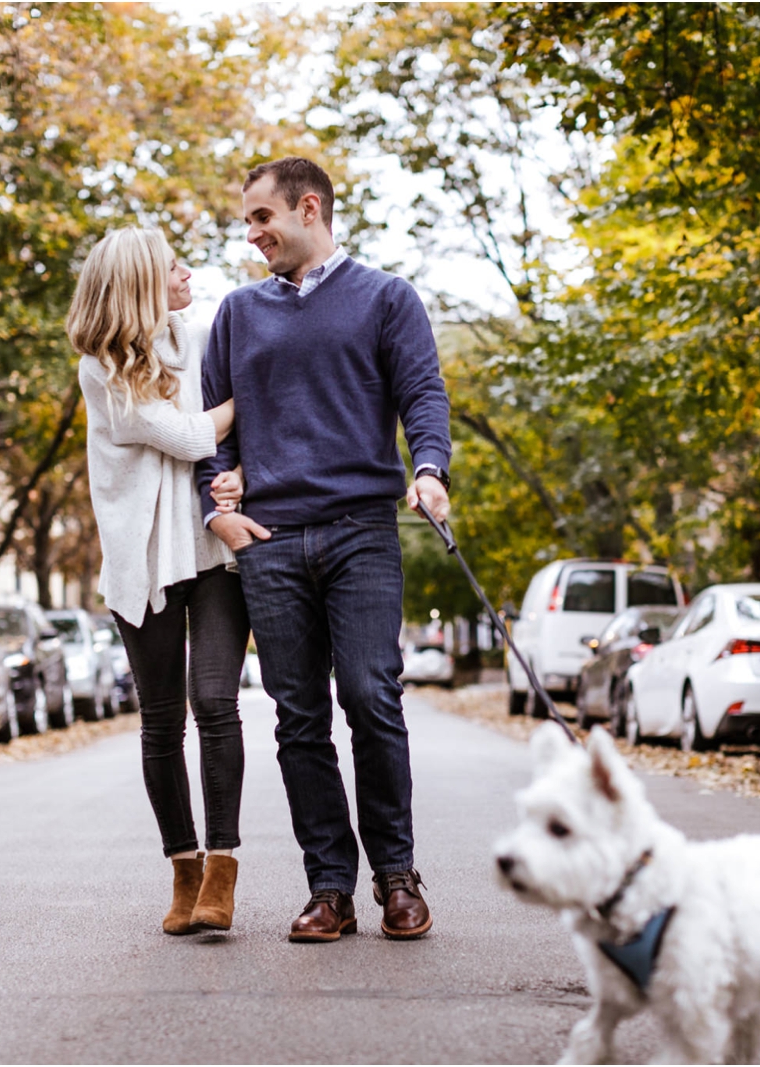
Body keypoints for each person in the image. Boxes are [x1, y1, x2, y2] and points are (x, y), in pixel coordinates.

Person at [197, 157, 452, 943]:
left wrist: (431, 471)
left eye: (262, 218)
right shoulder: (237, 313)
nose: (252, 235)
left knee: (372, 699)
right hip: (271, 542)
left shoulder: (385, 298)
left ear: (310, 209)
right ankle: (329, 887)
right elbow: (207, 423)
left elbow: (422, 394)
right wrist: (220, 505)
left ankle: (397, 876)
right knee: (298, 718)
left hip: (360, 532)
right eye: (246, 222)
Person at [67, 227, 250, 936]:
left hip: (210, 548)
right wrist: (244, 400)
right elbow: (191, 436)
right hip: (141, 560)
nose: (187, 272)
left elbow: (216, 438)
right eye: (172, 266)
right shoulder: (100, 368)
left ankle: (223, 869)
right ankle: (183, 865)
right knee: (159, 721)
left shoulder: (204, 336)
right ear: (141, 284)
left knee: (215, 703)